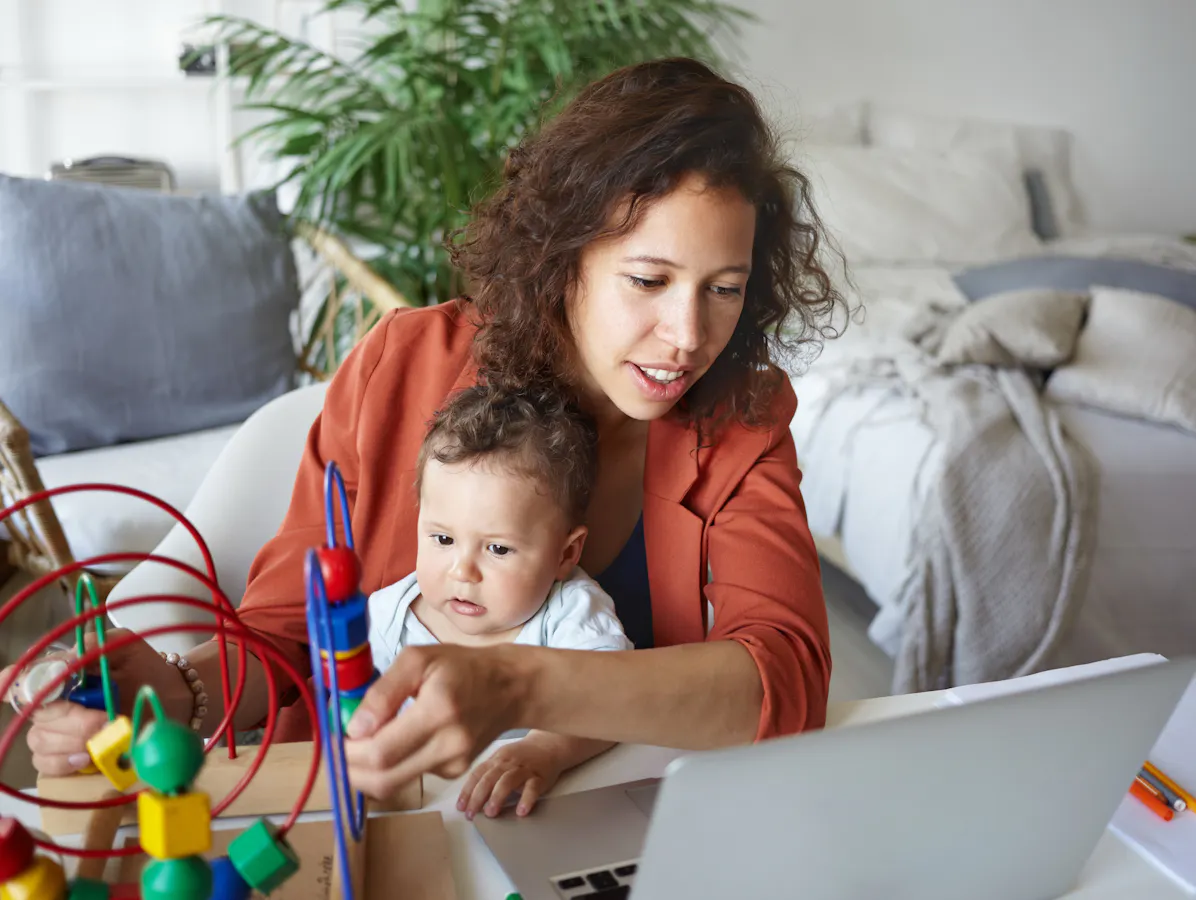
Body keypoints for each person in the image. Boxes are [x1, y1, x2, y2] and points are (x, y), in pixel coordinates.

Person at [18, 56, 846, 815]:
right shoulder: (403, 365)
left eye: (724, 289)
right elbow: (291, 638)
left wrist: (519, 684)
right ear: (566, 258)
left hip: (639, 828)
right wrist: (173, 686)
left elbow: (784, 679)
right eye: (648, 280)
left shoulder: (742, 412)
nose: (687, 336)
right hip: (403, 823)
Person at [368, 383, 631, 816]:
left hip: (535, 815)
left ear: (566, 553)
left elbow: (616, 700)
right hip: (420, 814)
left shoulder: (570, 615)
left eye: (498, 549)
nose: (462, 571)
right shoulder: (387, 618)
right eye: (444, 539)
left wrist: (547, 750)